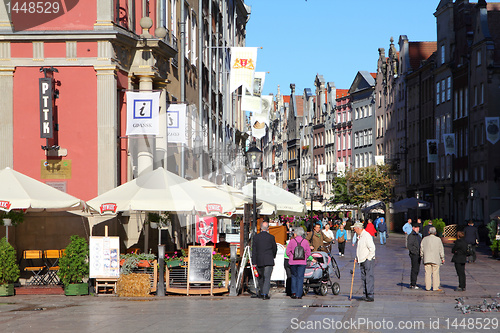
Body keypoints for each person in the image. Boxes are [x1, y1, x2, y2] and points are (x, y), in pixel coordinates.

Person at [251, 221, 277, 300]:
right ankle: (265, 294)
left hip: (259, 260)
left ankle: (261, 292)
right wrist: (273, 256)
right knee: (267, 277)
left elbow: (254, 250)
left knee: (261, 277)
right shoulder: (271, 237)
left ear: (260, 228)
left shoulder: (256, 237)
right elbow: (274, 248)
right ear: (268, 228)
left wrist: (253, 261)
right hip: (268, 260)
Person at [286, 227, 311, 299]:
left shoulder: (292, 241)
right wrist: (305, 257)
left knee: (294, 276)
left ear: (296, 233)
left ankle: (293, 292)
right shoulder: (305, 241)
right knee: (300, 277)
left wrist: (291, 256)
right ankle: (299, 294)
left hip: (293, 262)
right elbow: (308, 252)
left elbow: (287, 252)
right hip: (302, 262)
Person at [353, 221, 376, 302]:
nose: (354, 230)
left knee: (368, 277)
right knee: (363, 277)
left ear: (359, 228)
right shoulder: (360, 236)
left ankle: (370, 295)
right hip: (361, 259)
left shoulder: (366, 235)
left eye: (355, 229)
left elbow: (372, 248)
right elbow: (359, 248)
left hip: (367, 260)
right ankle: (365, 293)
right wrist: (357, 257)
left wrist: (369, 258)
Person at [420, 226, 445, 292]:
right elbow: (441, 249)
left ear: (429, 232)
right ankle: (435, 287)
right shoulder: (438, 239)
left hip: (427, 259)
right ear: (435, 233)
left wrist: (422, 256)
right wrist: (442, 258)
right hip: (436, 259)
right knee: (435, 273)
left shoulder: (424, 239)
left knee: (427, 273)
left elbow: (421, 249)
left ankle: (428, 287)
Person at [407, 223, 422, 289]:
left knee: (417, 269)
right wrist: (415, 252)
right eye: (416, 227)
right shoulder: (411, 236)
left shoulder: (418, 236)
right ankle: (413, 284)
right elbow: (409, 246)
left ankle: (414, 282)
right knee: (414, 269)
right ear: (413, 228)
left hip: (418, 254)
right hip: (414, 255)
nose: (417, 229)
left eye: (418, 227)